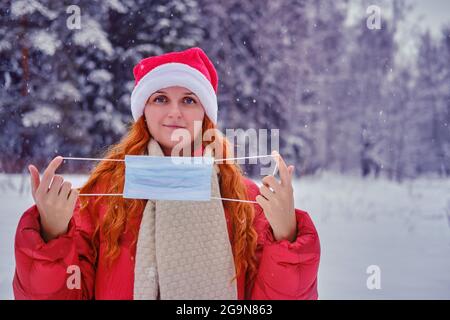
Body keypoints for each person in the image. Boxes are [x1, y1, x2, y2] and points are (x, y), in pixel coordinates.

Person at [13, 47, 320, 300]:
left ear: (206, 114)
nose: (175, 112)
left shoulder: (245, 198)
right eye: (160, 99)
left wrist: (286, 237)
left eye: (189, 100)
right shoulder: (103, 194)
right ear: (143, 111)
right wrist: (51, 235)